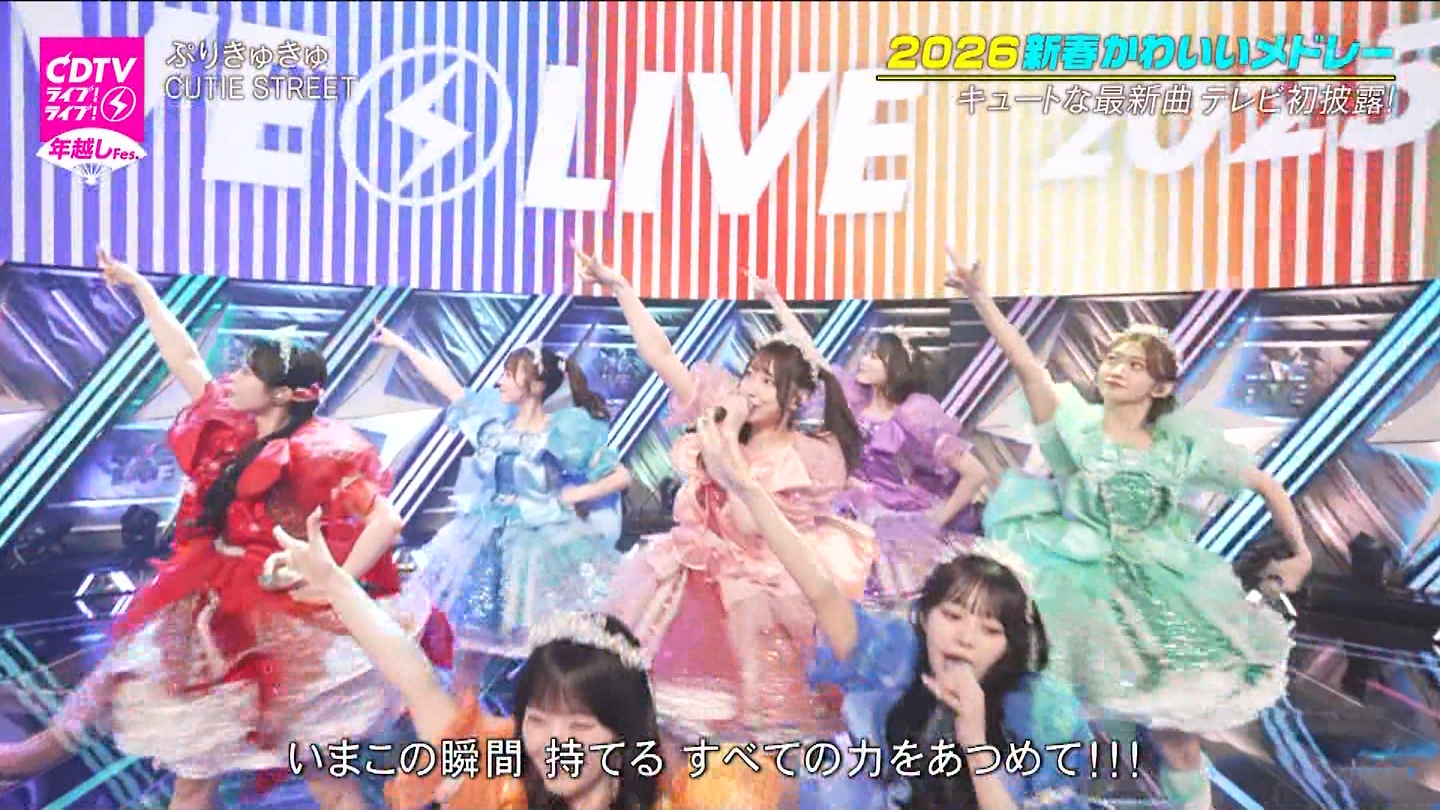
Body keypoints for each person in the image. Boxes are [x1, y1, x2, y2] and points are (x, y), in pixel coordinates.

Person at [0, 248, 429, 810]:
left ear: (283, 394)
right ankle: (35, 752)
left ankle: (34, 754)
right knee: (193, 772)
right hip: (206, 600)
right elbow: (183, 356)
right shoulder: (228, 422)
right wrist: (141, 289)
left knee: (325, 776)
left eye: (250, 372)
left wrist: (335, 581)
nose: (235, 377)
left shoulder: (321, 450)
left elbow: (386, 520)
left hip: (283, 615)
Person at [945, 250, 1308, 810]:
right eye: (1112, 358)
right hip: (1072, 585)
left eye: (1134, 364)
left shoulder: (1178, 447)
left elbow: (1265, 483)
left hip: (1160, 594)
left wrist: (1301, 553)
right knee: (1056, 725)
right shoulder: (1076, 425)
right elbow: (1027, 366)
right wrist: (980, 299)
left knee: (1178, 738)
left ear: (1159, 388)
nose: (1115, 368)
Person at [690, 411, 1092, 809]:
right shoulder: (894, 661)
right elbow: (821, 591)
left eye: (990, 629)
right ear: (925, 618)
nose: (966, 638)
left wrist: (974, 742)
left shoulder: (1044, 720)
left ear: (1011, 646)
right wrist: (748, 489)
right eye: (952, 616)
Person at [265, 510, 788, 810]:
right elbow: (415, 678)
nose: (554, 744)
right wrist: (336, 584)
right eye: (538, 720)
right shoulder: (499, 783)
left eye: (578, 726)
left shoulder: (694, 797)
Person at [571, 242, 876, 740]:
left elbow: (751, 526)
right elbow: (660, 355)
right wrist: (621, 287)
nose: (750, 387)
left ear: (797, 398)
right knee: (659, 707)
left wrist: (729, 448)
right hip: (691, 570)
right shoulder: (722, 409)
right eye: (750, 374)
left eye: (766, 381)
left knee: (752, 716)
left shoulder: (804, 457)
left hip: (759, 588)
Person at [373, 324, 630, 661]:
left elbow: (619, 476)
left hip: (538, 541)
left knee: (537, 637)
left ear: (537, 386)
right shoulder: (493, 427)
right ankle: (469, 694)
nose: (500, 381)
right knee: (468, 636)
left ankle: (533, 689)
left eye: (509, 374)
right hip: (482, 535)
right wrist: (401, 345)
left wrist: (570, 496)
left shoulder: (561, 433)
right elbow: (449, 386)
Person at [753, 273, 988, 607]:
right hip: (850, 510)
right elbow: (811, 355)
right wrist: (774, 298)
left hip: (897, 523)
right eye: (866, 354)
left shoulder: (915, 416)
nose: (863, 361)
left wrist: (934, 521)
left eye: (874, 356)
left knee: (890, 603)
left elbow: (976, 473)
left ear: (896, 366)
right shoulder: (855, 401)